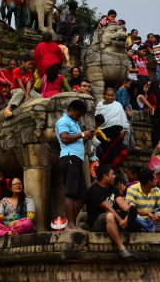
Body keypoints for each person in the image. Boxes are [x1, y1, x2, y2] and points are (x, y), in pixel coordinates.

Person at [57, 99, 94, 230]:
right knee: (71, 193)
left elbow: (75, 140)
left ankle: (70, 223)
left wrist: (84, 138)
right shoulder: (63, 121)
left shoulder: (74, 122)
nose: (79, 118)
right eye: (78, 115)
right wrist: (83, 134)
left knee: (83, 194)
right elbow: (65, 138)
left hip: (77, 159)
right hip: (69, 157)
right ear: (71, 110)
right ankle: (71, 224)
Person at [84, 164, 135, 259]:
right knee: (110, 215)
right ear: (105, 176)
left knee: (131, 205)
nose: (114, 176)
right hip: (97, 222)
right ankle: (121, 248)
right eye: (112, 174)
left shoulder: (113, 188)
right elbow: (107, 208)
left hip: (113, 217)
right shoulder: (94, 190)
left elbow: (120, 201)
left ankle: (127, 226)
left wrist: (129, 210)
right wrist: (120, 220)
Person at [126, 168, 160, 233]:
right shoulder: (132, 189)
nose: (157, 180)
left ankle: (147, 228)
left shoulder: (157, 190)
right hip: (138, 219)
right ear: (149, 182)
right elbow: (132, 210)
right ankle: (156, 230)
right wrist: (147, 213)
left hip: (150, 221)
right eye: (155, 179)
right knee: (135, 217)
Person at [94, 87, 130, 169]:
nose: (110, 97)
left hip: (116, 134)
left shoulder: (118, 105)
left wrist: (123, 129)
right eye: (108, 95)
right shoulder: (100, 105)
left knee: (115, 155)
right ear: (104, 95)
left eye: (112, 95)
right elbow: (96, 118)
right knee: (103, 155)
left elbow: (123, 119)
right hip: (103, 134)